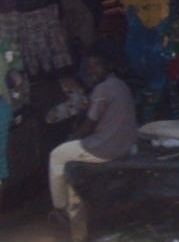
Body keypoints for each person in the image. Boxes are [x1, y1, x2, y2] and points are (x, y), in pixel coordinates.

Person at [49, 52, 137, 224]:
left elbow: (88, 126)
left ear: (108, 66)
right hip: (126, 145)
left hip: (105, 148)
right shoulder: (120, 84)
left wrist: (70, 139)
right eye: (88, 68)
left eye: (96, 65)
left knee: (57, 155)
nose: (92, 71)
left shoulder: (101, 89)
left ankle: (60, 208)